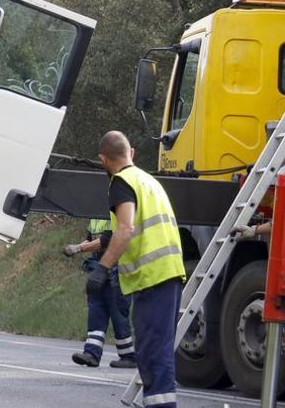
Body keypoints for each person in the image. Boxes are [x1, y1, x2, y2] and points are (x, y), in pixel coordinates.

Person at [86, 131, 186, 408]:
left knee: (154, 354)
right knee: (155, 351)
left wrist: (102, 268)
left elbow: (126, 227)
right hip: (168, 273)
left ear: (103, 159)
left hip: (152, 277)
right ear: (132, 152)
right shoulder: (148, 181)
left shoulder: (121, 182)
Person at [63, 218, 137, 368]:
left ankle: (128, 356)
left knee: (118, 313)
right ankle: (91, 353)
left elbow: (108, 240)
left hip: (117, 269)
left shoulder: (115, 213)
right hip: (98, 268)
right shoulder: (95, 217)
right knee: (96, 310)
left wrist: (79, 248)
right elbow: (90, 238)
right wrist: (79, 246)